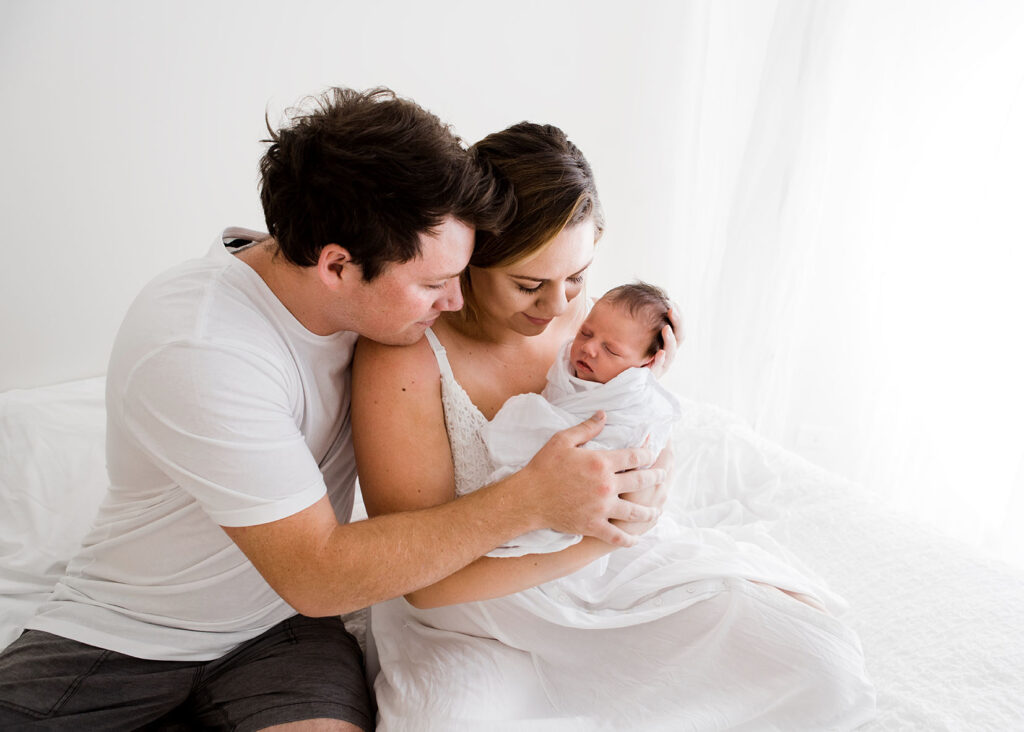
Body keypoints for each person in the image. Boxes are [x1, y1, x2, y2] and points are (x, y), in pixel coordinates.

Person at [0, 89, 668, 731]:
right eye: (436, 285)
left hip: (282, 628)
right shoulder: (203, 347)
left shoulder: (376, 297)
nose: (455, 304)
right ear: (337, 268)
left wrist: (636, 351)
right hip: (135, 631)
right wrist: (531, 501)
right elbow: (319, 573)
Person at [352, 121, 877, 731]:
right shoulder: (405, 357)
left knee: (821, 667)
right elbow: (423, 584)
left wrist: (643, 408)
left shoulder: (584, 318)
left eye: (576, 276)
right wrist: (587, 536)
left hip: (606, 573)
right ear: (471, 259)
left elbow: (632, 443)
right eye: (529, 285)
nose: (558, 307)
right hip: (476, 612)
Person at [482, 282, 683, 557]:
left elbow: (642, 426)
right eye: (585, 332)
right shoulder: (567, 363)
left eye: (611, 350)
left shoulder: (632, 395)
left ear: (646, 365)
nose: (588, 348)